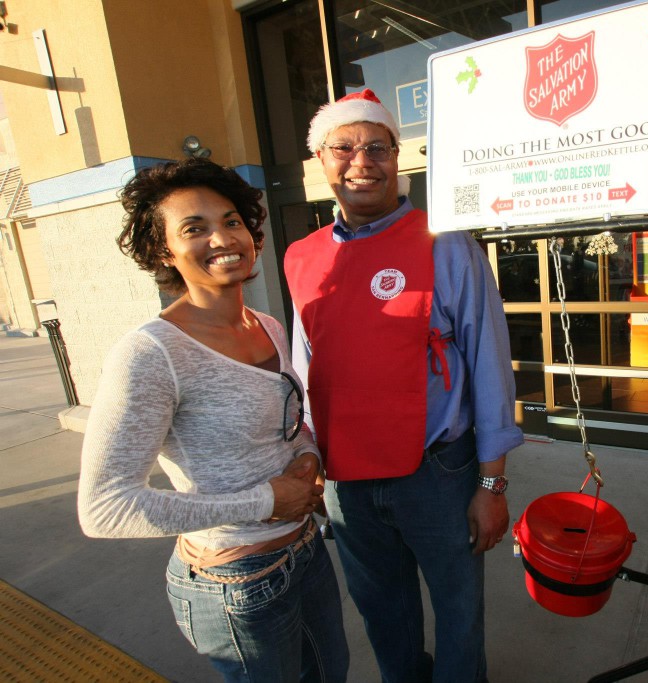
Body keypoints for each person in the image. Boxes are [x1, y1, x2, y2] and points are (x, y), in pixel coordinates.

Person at [284, 89, 523, 683]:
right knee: (383, 615)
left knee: (459, 613)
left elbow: (489, 364)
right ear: (320, 160)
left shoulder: (446, 243)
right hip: (346, 483)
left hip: (438, 474)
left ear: (399, 157)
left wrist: (491, 483)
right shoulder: (302, 257)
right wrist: (306, 458)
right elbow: (304, 368)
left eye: (377, 147)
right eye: (343, 146)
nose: (360, 160)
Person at [78, 158, 348, 682]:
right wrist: (266, 501)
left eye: (230, 221)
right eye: (194, 228)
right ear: (164, 251)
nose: (222, 237)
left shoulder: (267, 325)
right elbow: (104, 508)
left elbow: (290, 426)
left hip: (305, 554)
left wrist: (309, 454)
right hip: (234, 581)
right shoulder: (151, 354)